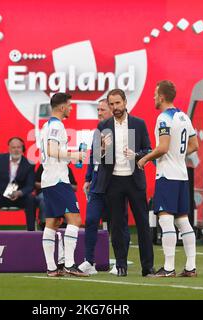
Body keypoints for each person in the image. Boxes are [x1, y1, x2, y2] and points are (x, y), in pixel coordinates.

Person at [138, 80, 199, 277]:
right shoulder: (184, 116)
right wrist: (178, 156)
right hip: (182, 175)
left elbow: (163, 147)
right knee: (183, 221)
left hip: (167, 175)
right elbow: (194, 145)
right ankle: (190, 267)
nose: (154, 97)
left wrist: (145, 159)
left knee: (165, 220)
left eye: (155, 94)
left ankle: (169, 267)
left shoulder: (163, 118)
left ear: (162, 97)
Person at [97, 89, 156, 277]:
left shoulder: (138, 124)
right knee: (117, 225)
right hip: (113, 181)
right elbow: (99, 158)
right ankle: (121, 265)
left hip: (134, 180)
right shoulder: (104, 125)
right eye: (112, 104)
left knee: (143, 224)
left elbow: (148, 149)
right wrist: (104, 149)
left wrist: (137, 155)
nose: (115, 107)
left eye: (118, 103)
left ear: (125, 102)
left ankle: (147, 267)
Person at [79, 98, 129, 275]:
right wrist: (88, 178)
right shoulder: (98, 130)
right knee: (91, 220)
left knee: (119, 224)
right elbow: (93, 156)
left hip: (116, 184)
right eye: (98, 110)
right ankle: (89, 262)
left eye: (102, 109)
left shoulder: (122, 131)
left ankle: (121, 264)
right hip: (98, 185)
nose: (99, 113)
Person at [40, 92, 88, 277]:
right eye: (69, 105)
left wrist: (68, 156)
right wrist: (73, 155)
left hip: (49, 179)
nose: (71, 108)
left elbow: (51, 151)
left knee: (53, 222)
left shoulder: (46, 126)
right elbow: (52, 151)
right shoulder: (56, 125)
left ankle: (52, 267)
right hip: (58, 179)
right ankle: (69, 263)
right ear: (61, 107)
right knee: (75, 220)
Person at [0, 137, 36, 231]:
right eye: (13, 147)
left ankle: (31, 232)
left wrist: (19, 193)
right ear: (9, 148)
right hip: (1, 196)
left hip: (19, 197)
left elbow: (30, 186)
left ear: (23, 149)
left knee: (31, 199)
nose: (16, 150)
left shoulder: (29, 164)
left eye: (18, 147)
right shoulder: (0, 158)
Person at [34, 163, 78, 230]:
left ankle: (65, 224)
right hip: (45, 192)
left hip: (62, 194)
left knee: (68, 199)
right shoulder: (43, 166)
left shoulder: (66, 169)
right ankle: (44, 223)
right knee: (44, 198)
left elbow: (75, 187)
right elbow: (35, 183)